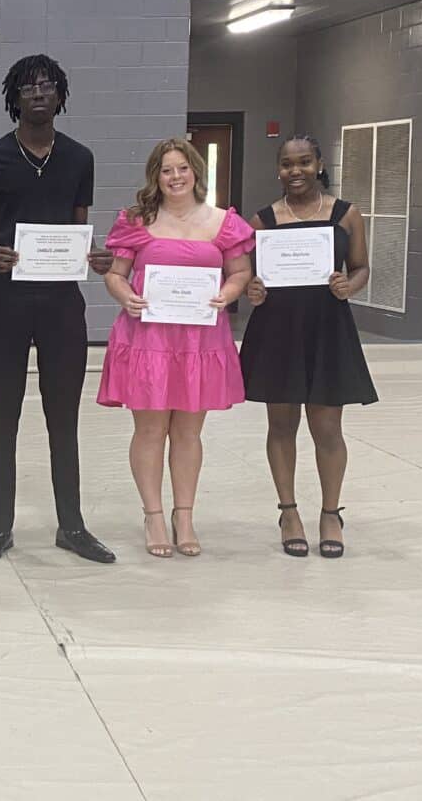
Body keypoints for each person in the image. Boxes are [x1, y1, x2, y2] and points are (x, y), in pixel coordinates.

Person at [0, 54, 116, 566]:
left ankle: (71, 526)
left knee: (63, 418)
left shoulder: (79, 158)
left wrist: (96, 256)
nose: (37, 93)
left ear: (60, 95)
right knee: (2, 418)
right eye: (27, 87)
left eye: (46, 85)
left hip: (61, 305)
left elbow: (79, 230)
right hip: (4, 302)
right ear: (14, 97)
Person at [97, 138, 253, 558]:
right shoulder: (137, 220)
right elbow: (115, 274)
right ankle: (153, 515)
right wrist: (125, 295)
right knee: (150, 430)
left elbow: (240, 271)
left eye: (182, 168)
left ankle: (184, 516)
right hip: (148, 340)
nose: (175, 176)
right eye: (166, 170)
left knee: (188, 432)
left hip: (200, 340)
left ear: (196, 171)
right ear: (156, 176)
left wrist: (228, 293)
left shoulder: (224, 222)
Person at [240, 134, 377, 559]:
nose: (295, 170)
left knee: (327, 428)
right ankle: (289, 512)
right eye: (287, 164)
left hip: (327, 329)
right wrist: (252, 289)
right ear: (278, 170)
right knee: (281, 426)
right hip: (278, 330)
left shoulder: (346, 214)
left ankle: (331, 513)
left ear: (319, 164)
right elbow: (246, 276)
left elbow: (361, 267)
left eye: (303, 162)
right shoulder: (263, 221)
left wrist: (348, 285)